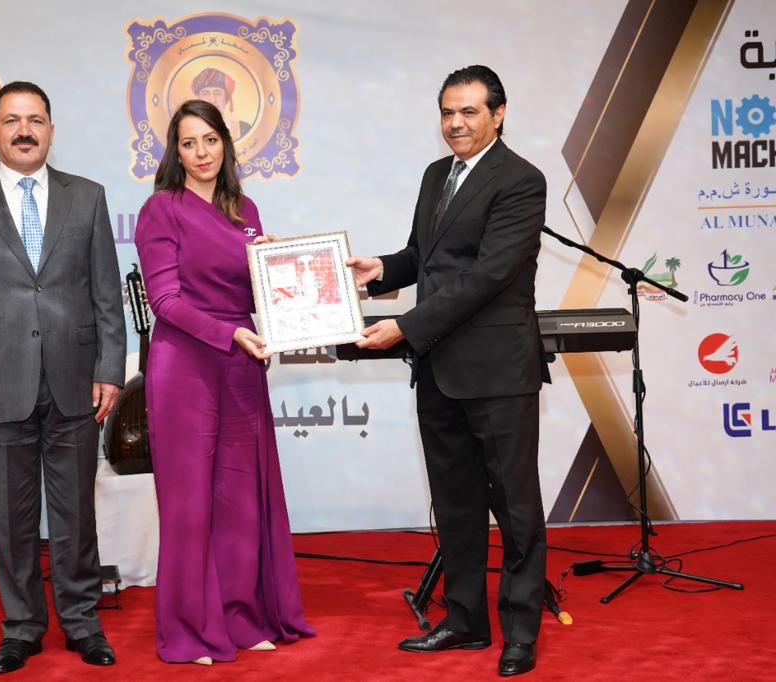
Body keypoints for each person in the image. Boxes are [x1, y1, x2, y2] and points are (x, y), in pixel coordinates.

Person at [347, 65, 548, 677]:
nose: (455, 123)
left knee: (515, 507)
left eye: (468, 111)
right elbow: (426, 257)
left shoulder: (521, 180)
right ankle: (464, 621)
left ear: (499, 114)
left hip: (497, 370)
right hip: (439, 367)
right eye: (447, 112)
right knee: (455, 504)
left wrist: (407, 326)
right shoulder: (437, 174)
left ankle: (520, 632)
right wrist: (380, 269)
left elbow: (487, 275)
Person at [0, 81, 126, 674]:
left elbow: (106, 293)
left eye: (35, 120)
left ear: (51, 130)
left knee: (76, 516)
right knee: (11, 521)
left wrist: (110, 368)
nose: (24, 131)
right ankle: (20, 628)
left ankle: (83, 624)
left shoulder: (86, 197)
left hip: (75, 380)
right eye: (12, 120)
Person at [134, 99, 314, 666]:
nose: (201, 152)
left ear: (225, 144)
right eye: (188, 143)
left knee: (240, 500)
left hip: (240, 365)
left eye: (210, 140)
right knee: (189, 505)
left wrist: (274, 270)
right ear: (175, 152)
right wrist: (229, 333)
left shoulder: (246, 210)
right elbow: (165, 301)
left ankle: (239, 618)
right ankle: (190, 630)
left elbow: (256, 295)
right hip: (184, 367)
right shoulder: (161, 209)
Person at [191, 67, 252, 140]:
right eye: (205, 93)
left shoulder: (243, 129)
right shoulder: (188, 130)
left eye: (217, 93)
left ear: (226, 98)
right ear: (198, 98)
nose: (212, 100)